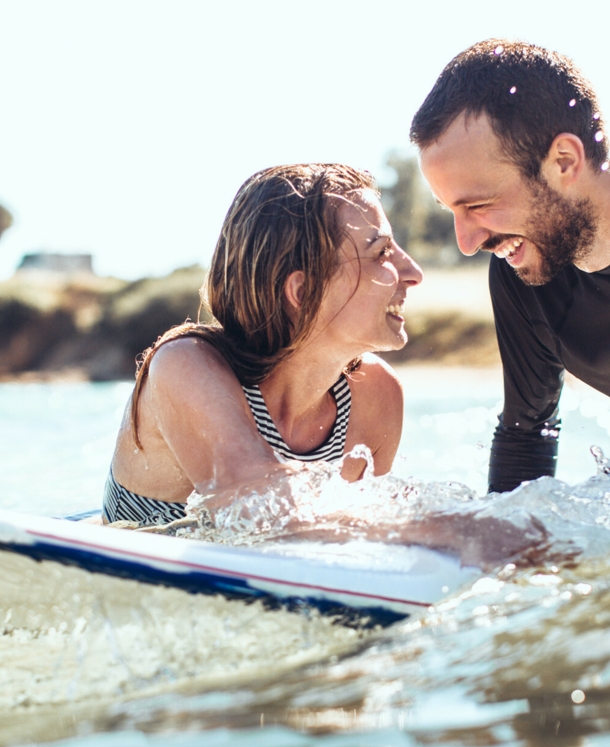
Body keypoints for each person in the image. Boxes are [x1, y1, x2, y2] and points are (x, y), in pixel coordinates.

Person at [102, 163, 422, 528]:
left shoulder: (375, 396)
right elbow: (259, 509)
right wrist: (459, 532)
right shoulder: (185, 365)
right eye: (382, 253)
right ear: (303, 292)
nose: (413, 272)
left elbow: (354, 552)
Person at [409, 39, 610, 493]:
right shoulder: (524, 276)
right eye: (450, 212)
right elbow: (527, 436)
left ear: (564, 161)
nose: (466, 243)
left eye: (479, 204)